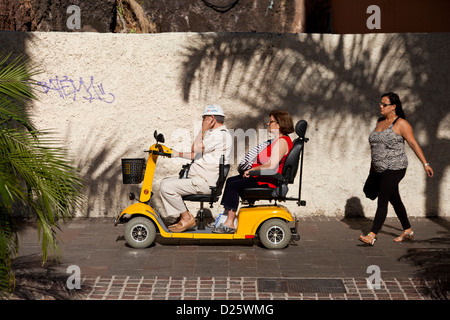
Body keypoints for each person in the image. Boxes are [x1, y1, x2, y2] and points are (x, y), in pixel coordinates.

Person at [359, 92, 434, 246]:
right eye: (380, 103)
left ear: (393, 107)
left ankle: (372, 234)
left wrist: (425, 164)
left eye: (384, 104)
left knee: (383, 199)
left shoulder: (401, 124)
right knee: (395, 199)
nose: (380, 106)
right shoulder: (379, 122)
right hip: (379, 168)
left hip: (395, 167)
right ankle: (408, 230)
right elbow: (375, 148)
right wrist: (372, 169)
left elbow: (413, 144)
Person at [213, 110, 294, 234]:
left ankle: (229, 223)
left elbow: (271, 166)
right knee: (231, 180)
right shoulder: (277, 141)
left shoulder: (282, 142)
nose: (268, 124)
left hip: (268, 181)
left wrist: (252, 170)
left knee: (234, 185)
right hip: (263, 178)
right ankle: (227, 217)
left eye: (271, 121)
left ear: (279, 124)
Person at [160, 105, 232, 233]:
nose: (202, 121)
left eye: (204, 118)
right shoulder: (216, 134)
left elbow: (195, 148)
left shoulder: (219, 135)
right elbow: (196, 154)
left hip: (204, 183)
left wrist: (202, 130)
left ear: (212, 119)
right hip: (199, 180)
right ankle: (183, 217)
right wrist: (174, 153)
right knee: (165, 182)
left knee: (167, 187)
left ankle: (186, 218)